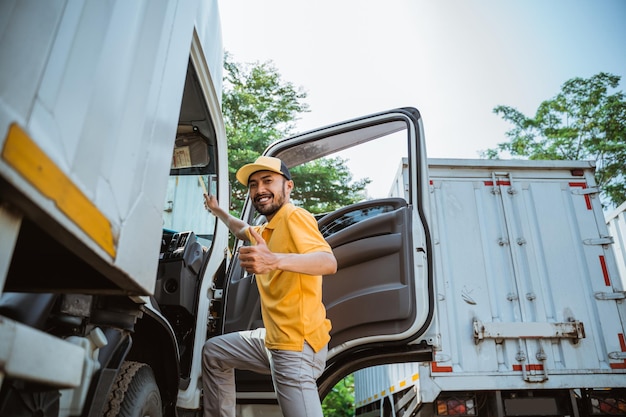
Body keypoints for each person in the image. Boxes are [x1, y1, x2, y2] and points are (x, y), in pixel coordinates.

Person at [201, 155, 337, 417]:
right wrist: (217, 211)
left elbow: (328, 262)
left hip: (295, 347)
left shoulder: (294, 216)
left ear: (288, 186)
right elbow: (241, 229)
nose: (259, 189)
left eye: (267, 181)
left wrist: (274, 260)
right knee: (214, 353)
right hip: (273, 340)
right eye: (253, 184)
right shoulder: (266, 229)